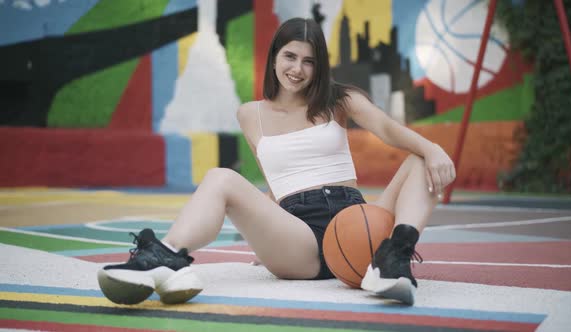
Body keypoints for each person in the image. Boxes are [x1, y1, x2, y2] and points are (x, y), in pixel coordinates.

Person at [97, 17, 455, 306]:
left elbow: (388, 129)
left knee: (422, 159)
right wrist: (266, 236)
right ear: (274, 57)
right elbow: (275, 180)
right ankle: (167, 258)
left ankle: (393, 260)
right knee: (222, 177)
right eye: (290, 56)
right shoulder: (250, 114)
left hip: (357, 227)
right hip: (299, 238)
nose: (298, 69)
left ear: (320, 66)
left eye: (309, 61)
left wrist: (433, 148)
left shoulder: (339, 99)